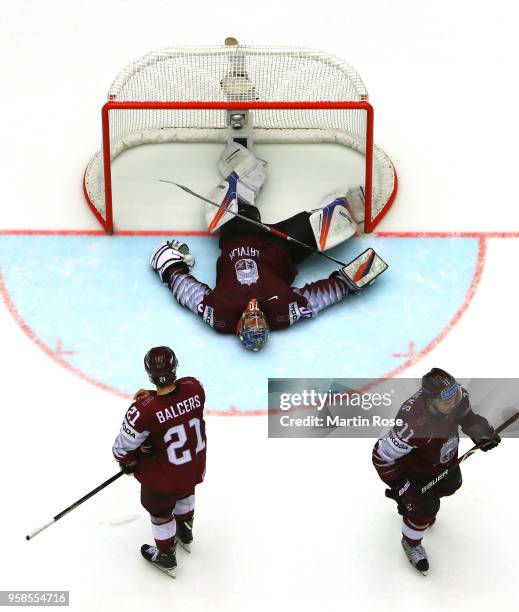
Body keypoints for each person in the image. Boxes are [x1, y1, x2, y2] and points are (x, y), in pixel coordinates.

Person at [150, 143, 387, 351]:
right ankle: (349, 204)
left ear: (239, 326)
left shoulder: (219, 315)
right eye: (259, 322)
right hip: (283, 247)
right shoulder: (284, 312)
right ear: (266, 324)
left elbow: (189, 295)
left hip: (238, 236)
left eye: (249, 322)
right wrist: (348, 282)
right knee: (334, 225)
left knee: (216, 210)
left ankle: (246, 172)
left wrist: (171, 268)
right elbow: (318, 298)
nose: (254, 316)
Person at [372, 368, 501, 573]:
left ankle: (415, 509)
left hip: (443, 459)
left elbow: (467, 418)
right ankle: (411, 542)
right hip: (415, 470)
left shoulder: (458, 398)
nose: (454, 402)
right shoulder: (411, 424)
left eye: (455, 394)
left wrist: (481, 433)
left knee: (452, 484)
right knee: (424, 508)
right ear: (431, 401)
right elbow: (381, 457)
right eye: (446, 399)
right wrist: (402, 488)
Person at [112, 346, 206, 577]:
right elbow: (176, 400)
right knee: (185, 490)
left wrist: (129, 461)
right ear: (175, 367)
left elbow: (121, 450)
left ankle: (166, 555)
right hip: (193, 466)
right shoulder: (195, 388)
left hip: (163, 478)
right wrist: (154, 396)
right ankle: (185, 530)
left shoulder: (142, 411)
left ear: (149, 373)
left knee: (160, 511)